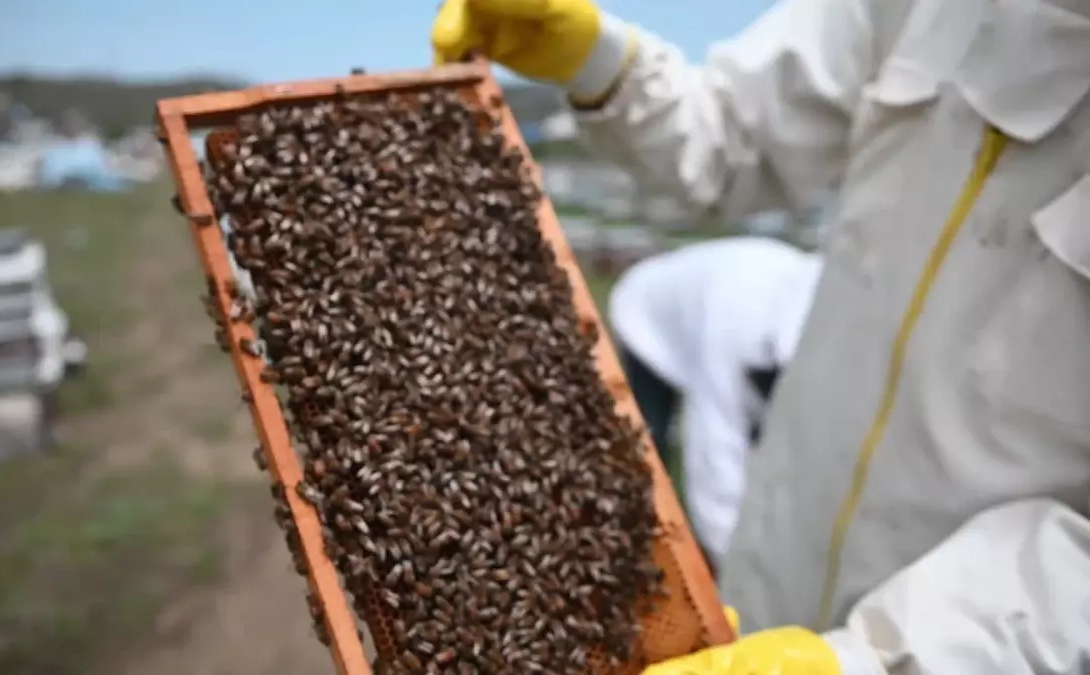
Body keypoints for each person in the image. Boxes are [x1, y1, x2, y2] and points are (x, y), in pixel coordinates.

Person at [433, 0, 1090, 672]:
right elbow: (729, 133)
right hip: (768, 577)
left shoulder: (739, 339)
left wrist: (872, 661)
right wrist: (603, 63)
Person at [609, 236, 823, 576]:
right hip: (647, 322)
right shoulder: (738, 325)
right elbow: (713, 450)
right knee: (645, 457)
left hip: (716, 306)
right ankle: (635, 561)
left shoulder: (826, 315)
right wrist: (727, 569)